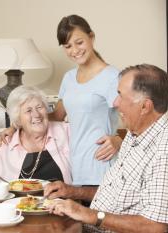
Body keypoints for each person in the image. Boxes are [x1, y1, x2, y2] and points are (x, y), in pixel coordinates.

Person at [45, 64, 168, 233]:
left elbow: (156, 226)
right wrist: (72, 192)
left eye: (120, 96)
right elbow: (114, 193)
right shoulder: (134, 134)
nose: (115, 103)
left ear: (145, 107)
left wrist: (88, 214)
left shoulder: (163, 150)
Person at [1, 15, 122, 186]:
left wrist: (119, 141)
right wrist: (15, 125)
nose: (75, 50)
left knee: (99, 213)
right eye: (68, 46)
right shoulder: (69, 78)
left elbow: (135, 116)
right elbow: (57, 114)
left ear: (92, 37)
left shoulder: (112, 76)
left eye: (79, 42)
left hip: (101, 164)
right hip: (75, 167)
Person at [0, 86, 72, 184]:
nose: (37, 114)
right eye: (28, 110)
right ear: (18, 119)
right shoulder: (6, 145)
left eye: (39, 107)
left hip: (61, 199)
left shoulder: (65, 131)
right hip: (18, 200)